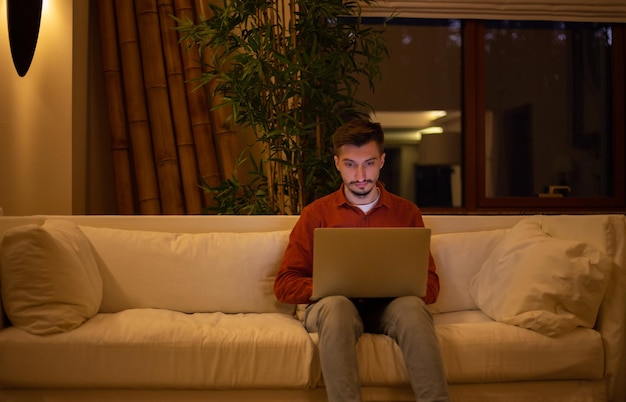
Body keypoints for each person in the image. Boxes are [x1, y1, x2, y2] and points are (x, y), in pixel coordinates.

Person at [274, 119, 449, 402]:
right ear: (337, 164)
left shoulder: (407, 213)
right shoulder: (315, 214)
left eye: (368, 163)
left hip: (389, 308)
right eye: (350, 164)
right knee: (337, 306)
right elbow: (284, 284)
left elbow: (430, 283)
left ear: (382, 161)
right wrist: (331, 286)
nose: (360, 174)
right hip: (333, 309)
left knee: (412, 308)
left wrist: (396, 286)